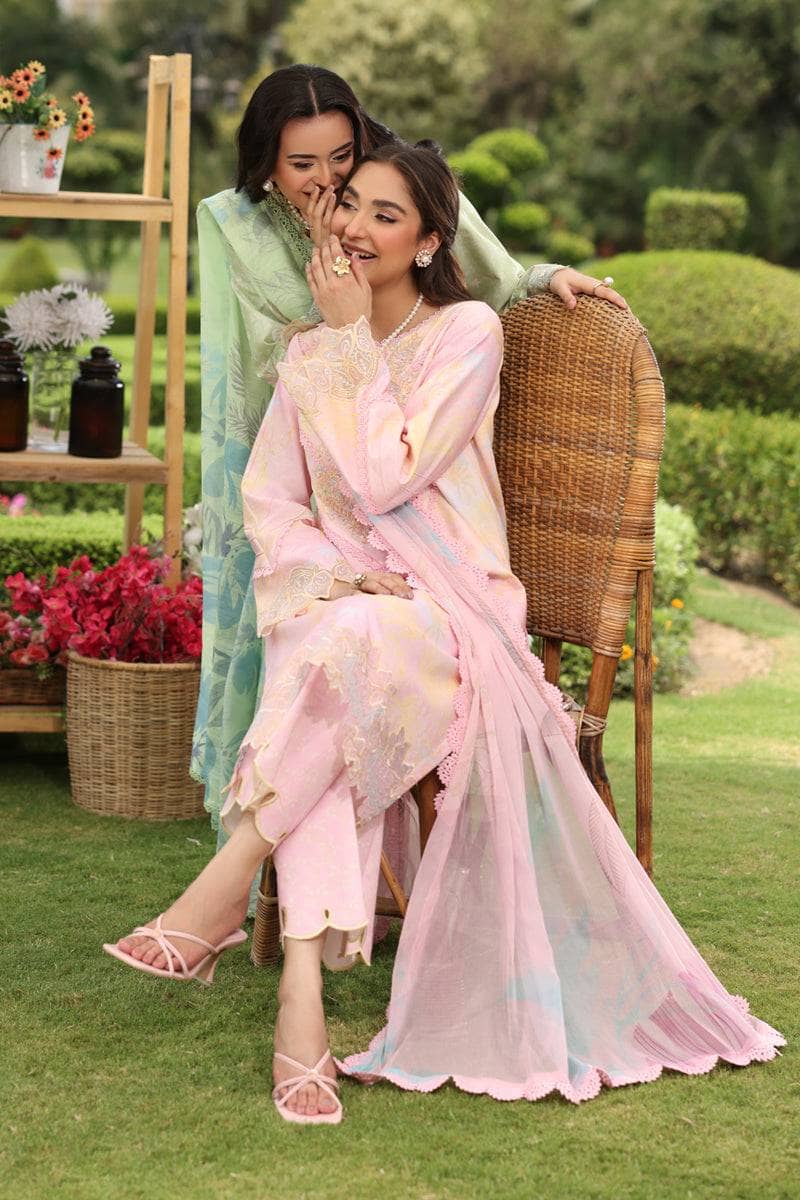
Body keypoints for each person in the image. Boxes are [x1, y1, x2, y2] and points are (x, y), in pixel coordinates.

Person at [105, 143, 784, 1127]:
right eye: (349, 207)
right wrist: (340, 572)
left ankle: (226, 885)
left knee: (336, 663)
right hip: (344, 611)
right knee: (337, 654)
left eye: (387, 215)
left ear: (428, 241)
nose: (355, 228)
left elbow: (388, 476)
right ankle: (300, 1003)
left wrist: (348, 339)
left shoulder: (466, 335)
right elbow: (273, 507)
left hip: (451, 615)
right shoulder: (306, 354)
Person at [189, 64, 625, 840]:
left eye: (341, 159)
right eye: (301, 166)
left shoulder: (405, 237)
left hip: (400, 480)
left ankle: (281, 916)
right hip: (303, 447)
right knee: (295, 609)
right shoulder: (236, 223)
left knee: (350, 642)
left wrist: (542, 277)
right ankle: (286, 909)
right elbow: (246, 359)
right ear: (263, 162)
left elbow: (468, 251)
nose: (328, 184)